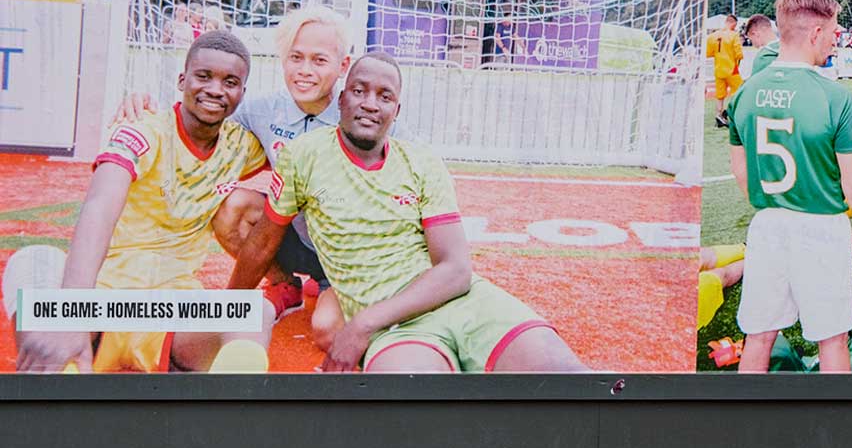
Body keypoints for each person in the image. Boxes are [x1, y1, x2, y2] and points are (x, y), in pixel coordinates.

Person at [227, 53, 587, 373]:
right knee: (415, 411)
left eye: (385, 97)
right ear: (340, 100)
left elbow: (456, 269)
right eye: (359, 91)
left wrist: (362, 324)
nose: (370, 103)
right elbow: (262, 244)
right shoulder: (302, 156)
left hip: (465, 304)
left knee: (565, 380)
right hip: (398, 329)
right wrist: (223, 314)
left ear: (396, 112)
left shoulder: (421, 161)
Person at [14, 31, 272, 373]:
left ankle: (222, 411)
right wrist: (70, 309)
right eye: (204, 76)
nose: (215, 89)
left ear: (242, 93)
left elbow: (305, 156)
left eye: (230, 82)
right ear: (182, 80)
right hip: (100, 303)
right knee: (32, 261)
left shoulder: (241, 145)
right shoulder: (142, 130)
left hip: (172, 310)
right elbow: (99, 205)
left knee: (259, 312)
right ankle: (66, 368)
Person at [115, 6, 355, 349]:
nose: (304, 70)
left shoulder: (360, 114)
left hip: (346, 251)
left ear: (342, 66)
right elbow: (204, 112)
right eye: (295, 57)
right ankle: (285, 284)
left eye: (319, 60)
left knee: (328, 331)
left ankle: (334, 284)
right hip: (297, 239)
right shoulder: (261, 110)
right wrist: (143, 107)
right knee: (233, 205)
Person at [726, 0, 852, 374]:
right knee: (832, 339)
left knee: (758, 337)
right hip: (822, 226)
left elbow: (740, 169)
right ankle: (835, 429)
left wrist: (772, 204)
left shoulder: (744, 94)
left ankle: (743, 430)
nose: (834, 39)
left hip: (768, 225)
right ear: (814, 33)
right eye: (832, 32)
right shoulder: (834, 96)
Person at [707, 14, 744, 128]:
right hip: (731, 69)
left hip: (719, 69)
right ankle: (730, 113)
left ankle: (718, 115)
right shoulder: (734, 35)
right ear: (733, 23)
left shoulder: (713, 36)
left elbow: (708, 53)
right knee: (739, 92)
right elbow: (739, 54)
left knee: (720, 95)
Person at [743, 14, 778, 79]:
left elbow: (754, 84)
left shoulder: (763, 56)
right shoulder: (789, 49)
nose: (753, 44)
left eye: (751, 40)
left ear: (755, 34)